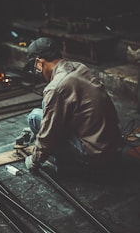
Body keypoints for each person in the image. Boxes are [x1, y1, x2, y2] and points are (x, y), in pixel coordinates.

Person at [24, 37, 122, 173]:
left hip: (92, 155)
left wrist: (34, 160)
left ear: (39, 62)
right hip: (112, 145)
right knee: (46, 103)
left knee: (34, 117)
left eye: (35, 68)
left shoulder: (56, 87)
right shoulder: (79, 67)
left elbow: (48, 135)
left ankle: (69, 164)